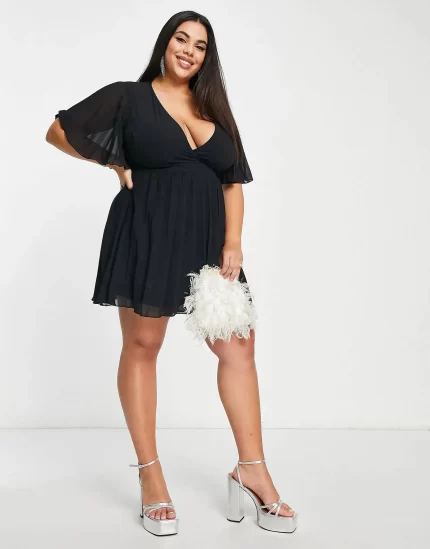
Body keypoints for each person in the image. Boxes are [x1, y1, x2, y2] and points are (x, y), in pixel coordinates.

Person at [45, 10, 297, 537]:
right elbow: (58, 131)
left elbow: (232, 182)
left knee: (239, 347)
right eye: (181, 39)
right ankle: (150, 475)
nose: (189, 50)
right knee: (143, 346)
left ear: (207, 58)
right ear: (165, 43)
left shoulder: (213, 108)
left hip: (209, 243)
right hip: (147, 230)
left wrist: (233, 242)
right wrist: (113, 163)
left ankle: (252, 470)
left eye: (200, 46)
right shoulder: (129, 97)